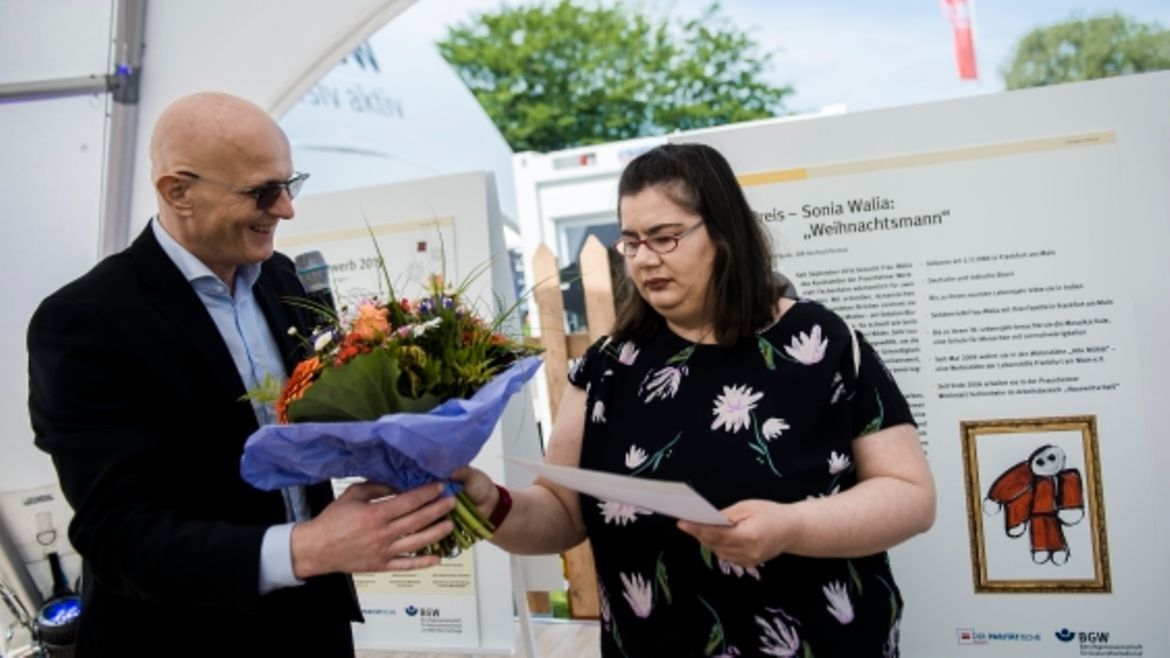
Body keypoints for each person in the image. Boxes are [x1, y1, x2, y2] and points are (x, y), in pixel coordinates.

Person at [456, 143, 936, 657]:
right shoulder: (608, 367)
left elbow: (911, 496)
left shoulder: (820, 343)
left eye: (664, 238)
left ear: (724, 232)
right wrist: (493, 506)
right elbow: (559, 513)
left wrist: (791, 527)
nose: (644, 259)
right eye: (631, 242)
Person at [27, 91, 456, 656]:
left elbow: (306, 431)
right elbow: (118, 537)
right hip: (181, 638)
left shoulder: (280, 278)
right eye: (262, 191)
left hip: (314, 626)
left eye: (289, 183)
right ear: (177, 192)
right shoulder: (84, 321)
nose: (286, 209)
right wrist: (307, 548)